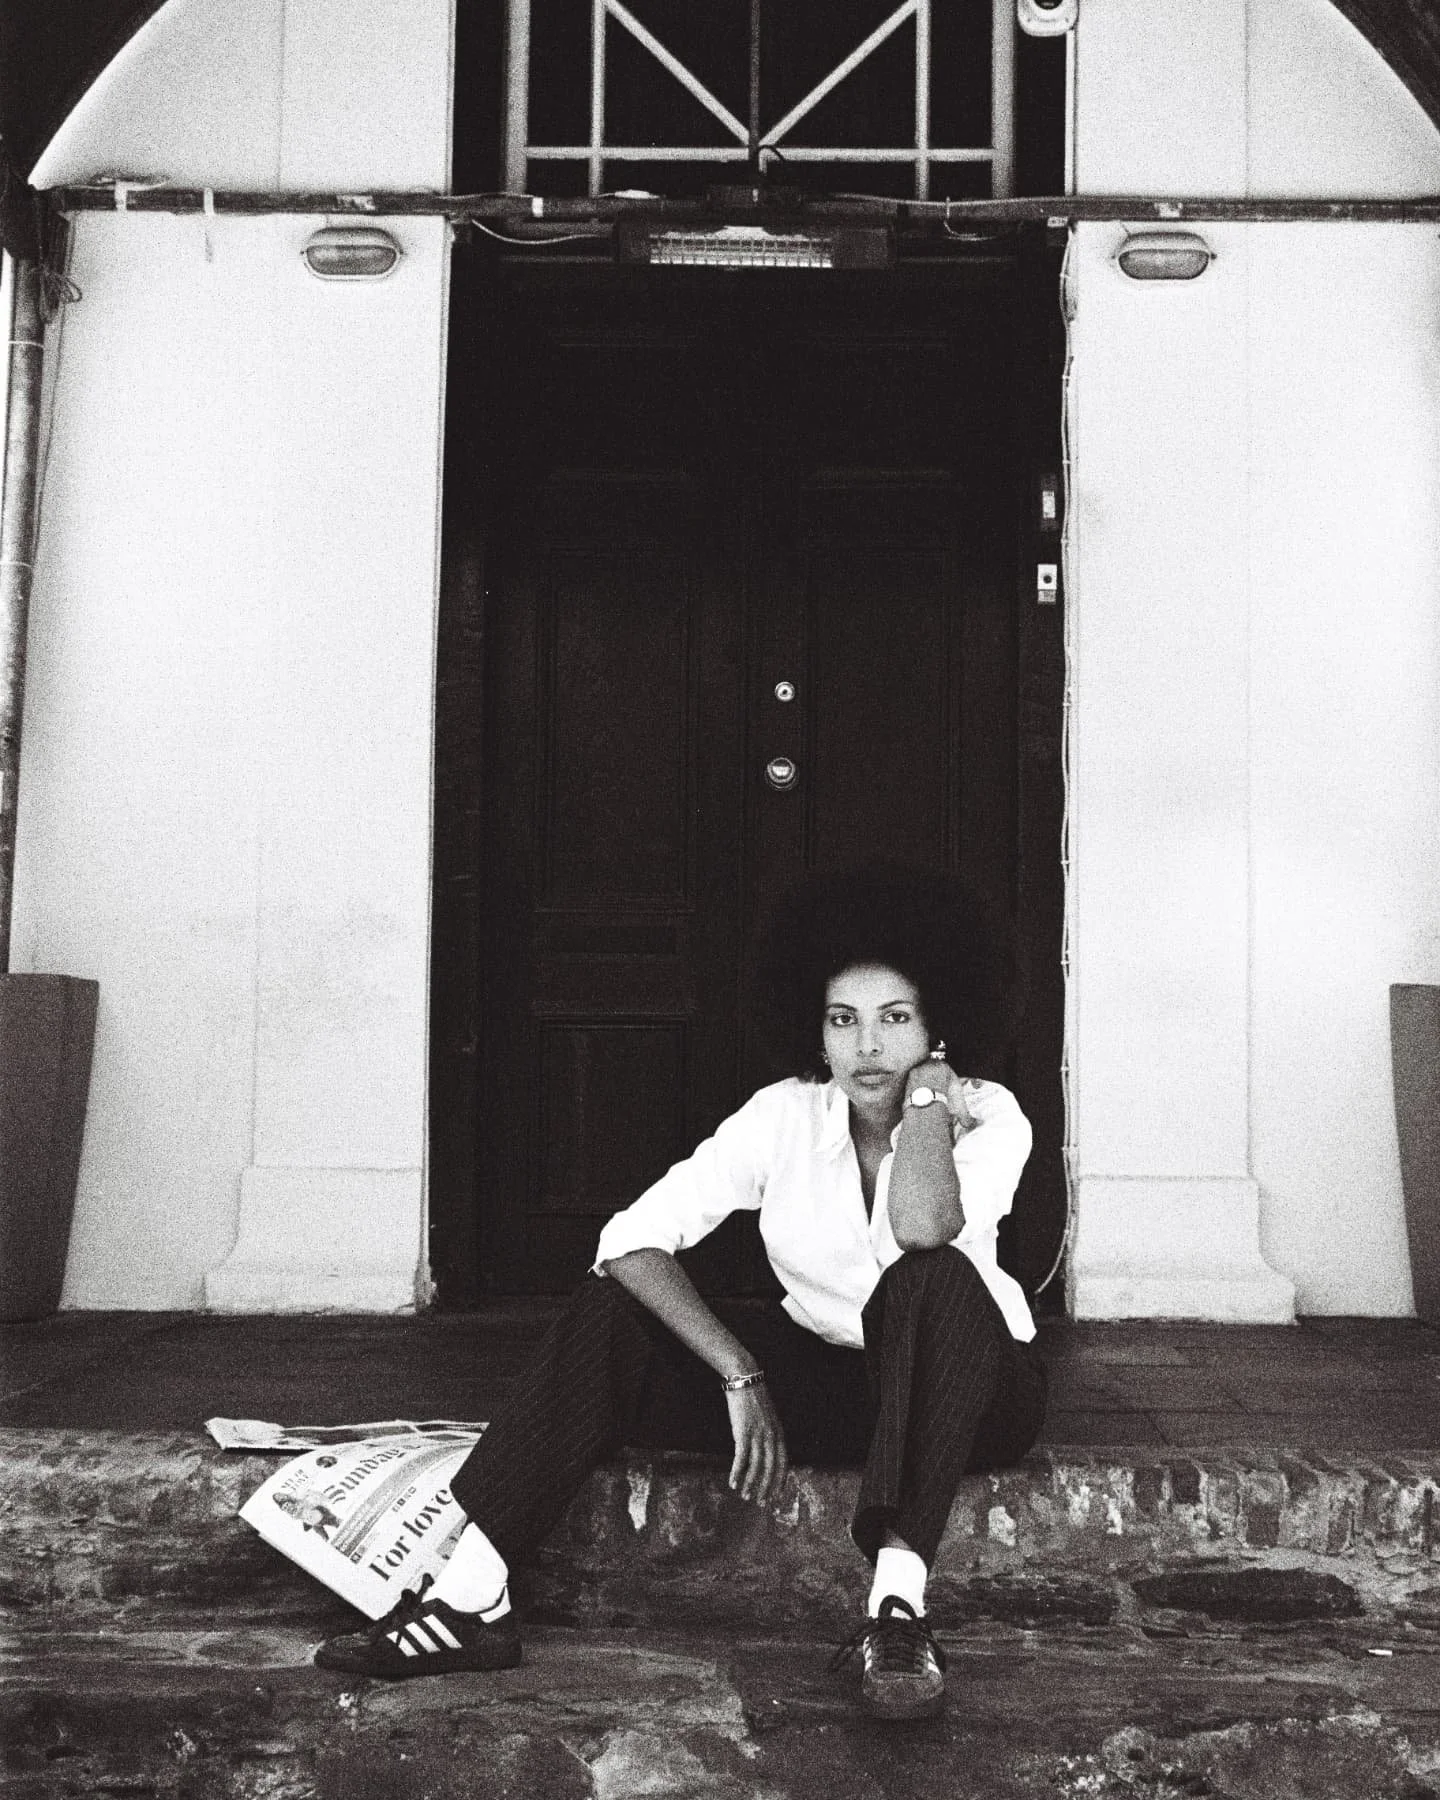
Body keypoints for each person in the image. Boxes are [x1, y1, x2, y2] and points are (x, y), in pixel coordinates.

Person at [314, 863, 1048, 1719]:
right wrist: (740, 1371)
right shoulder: (784, 1114)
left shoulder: (990, 1116)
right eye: (843, 1022)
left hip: (970, 1391)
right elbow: (627, 1241)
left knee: (931, 1281)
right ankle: (472, 1598)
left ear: (938, 1029)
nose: (869, 1047)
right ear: (816, 1035)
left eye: (896, 1021)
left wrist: (928, 1100)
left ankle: (897, 1611)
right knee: (610, 1313)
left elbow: (923, 1228)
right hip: (829, 1377)